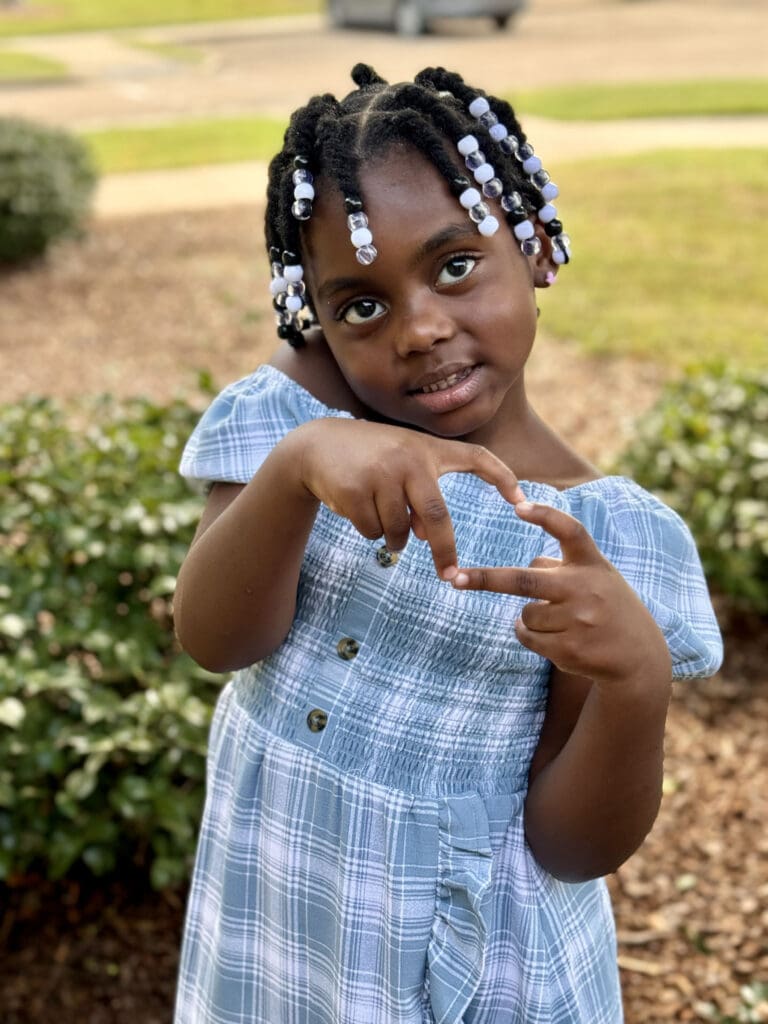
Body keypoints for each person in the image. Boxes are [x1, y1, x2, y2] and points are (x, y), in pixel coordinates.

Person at [172, 64, 723, 1024]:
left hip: (475, 966)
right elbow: (217, 638)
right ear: (322, 323)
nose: (419, 330)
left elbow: (572, 847)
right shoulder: (297, 414)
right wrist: (299, 466)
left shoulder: (606, 538)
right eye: (361, 306)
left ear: (539, 244)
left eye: (456, 265)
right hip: (272, 928)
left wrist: (637, 683)